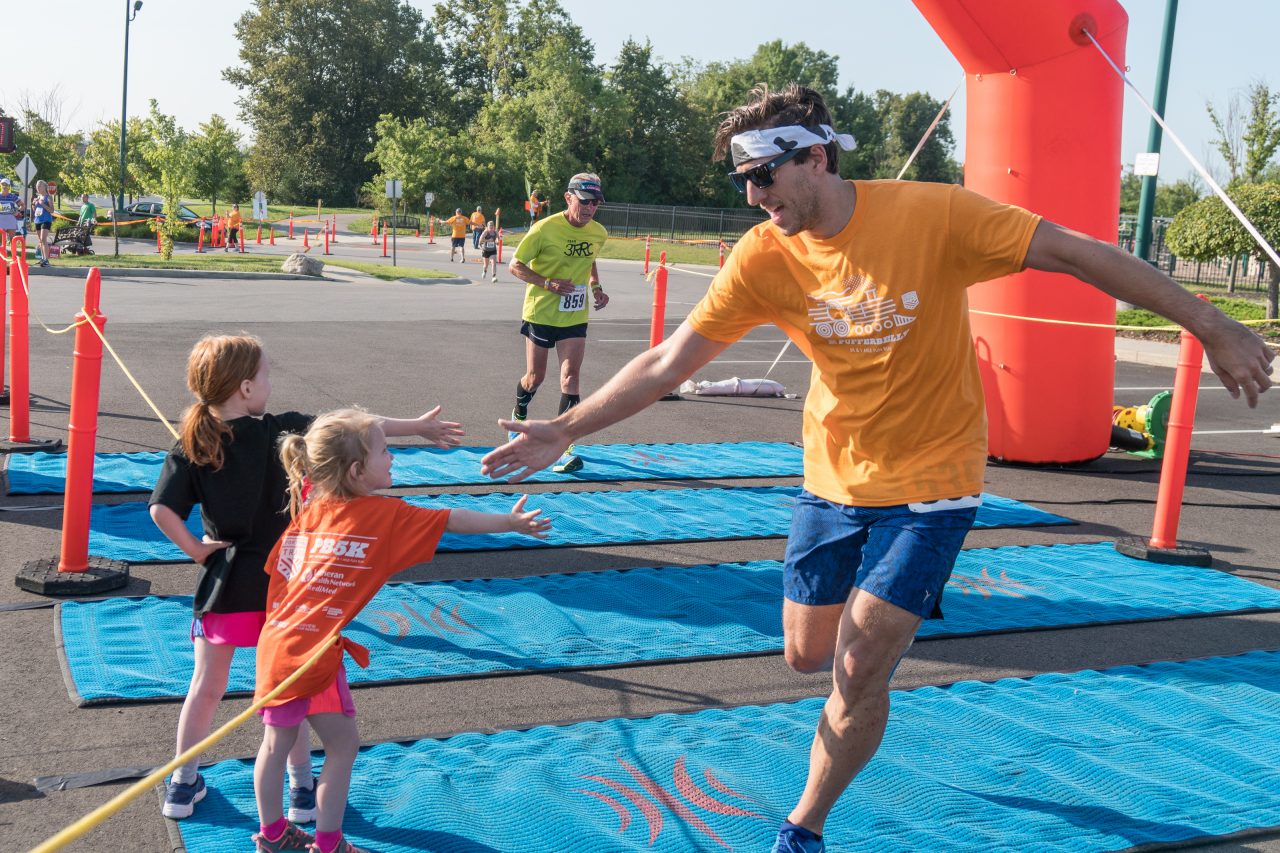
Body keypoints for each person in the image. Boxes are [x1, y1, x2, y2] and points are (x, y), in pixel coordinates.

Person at [480, 84, 1275, 853]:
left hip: (935, 479)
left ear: (816, 157)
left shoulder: (933, 214)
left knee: (858, 666)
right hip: (832, 475)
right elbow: (666, 360)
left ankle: (805, 824)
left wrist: (1208, 321)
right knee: (804, 653)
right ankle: (869, 659)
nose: (755, 196)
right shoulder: (765, 255)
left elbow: (1078, 252)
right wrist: (563, 427)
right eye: (742, 181)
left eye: (763, 175)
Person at [149, 334, 464, 824]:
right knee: (287, 692)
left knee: (205, 688)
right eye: (268, 374)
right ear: (248, 388)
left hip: (226, 584)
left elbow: (161, 510)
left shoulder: (193, 441)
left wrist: (195, 550)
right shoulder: (280, 431)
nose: (272, 382)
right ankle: (300, 790)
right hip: (288, 588)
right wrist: (416, 428)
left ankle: (182, 782)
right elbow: (356, 429)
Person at [250, 408, 551, 853]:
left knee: (275, 746)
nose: (393, 458)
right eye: (385, 451)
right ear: (356, 470)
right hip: (313, 656)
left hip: (277, 647)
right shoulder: (383, 516)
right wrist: (508, 523)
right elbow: (450, 520)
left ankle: (273, 836)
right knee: (343, 746)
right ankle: (328, 844)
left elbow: (278, 571)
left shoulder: (309, 514)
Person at [506, 172, 609, 474]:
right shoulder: (544, 229)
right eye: (585, 202)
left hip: (574, 314)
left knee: (570, 376)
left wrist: (596, 288)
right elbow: (514, 265)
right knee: (535, 377)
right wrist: (548, 284)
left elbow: (590, 259)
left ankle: (565, 444)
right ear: (568, 198)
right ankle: (519, 414)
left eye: (595, 204)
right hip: (541, 312)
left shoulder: (598, 232)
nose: (590, 209)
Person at [31, 179, 54, 266]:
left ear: (44, 187)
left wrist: (43, 204)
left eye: (40, 186)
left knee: (43, 239)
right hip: (38, 220)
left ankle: (46, 260)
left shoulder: (48, 197)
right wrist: (33, 204)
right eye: (37, 186)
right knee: (40, 240)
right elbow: (35, 210)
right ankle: (42, 258)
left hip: (46, 220)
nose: (38, 188)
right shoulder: (37, 197)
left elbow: (52, 210)